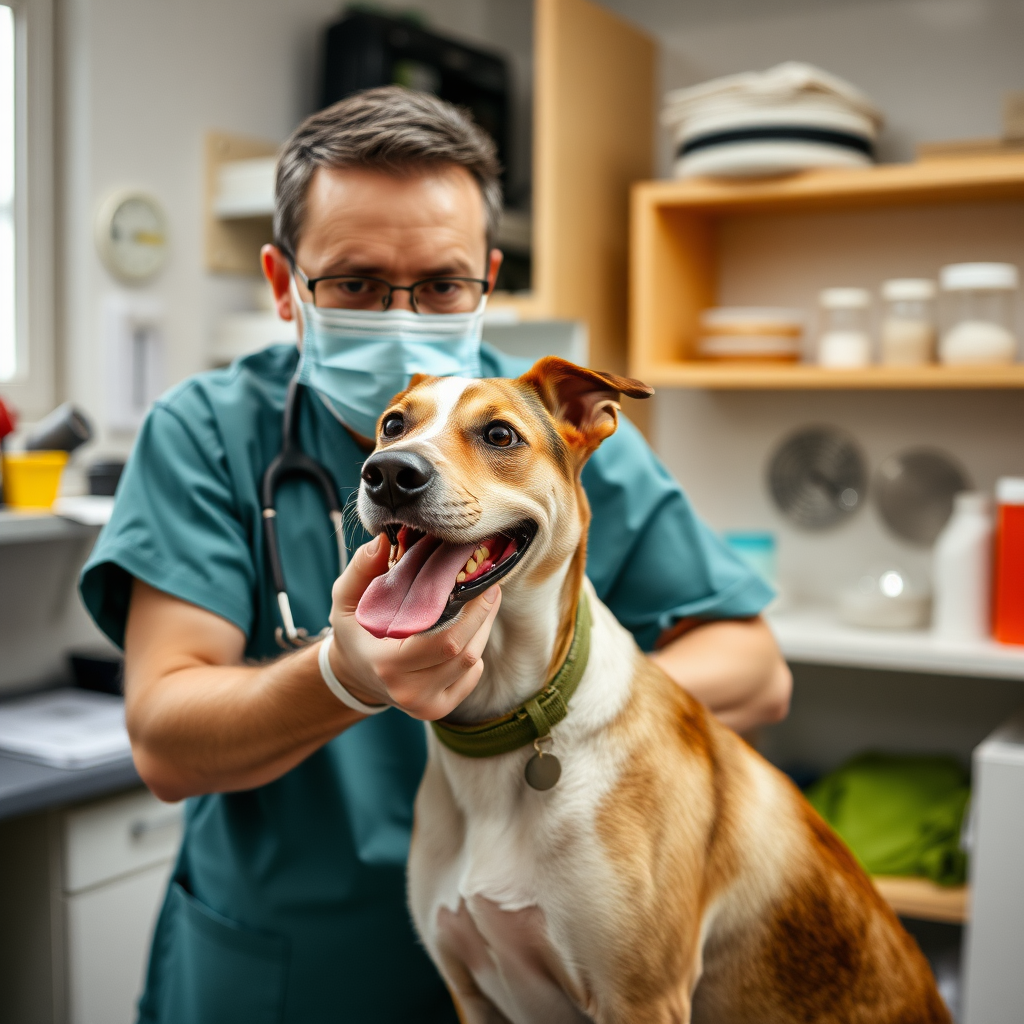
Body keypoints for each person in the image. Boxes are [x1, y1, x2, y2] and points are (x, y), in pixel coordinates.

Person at [80, 86, 791, 1024]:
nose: (404, 316)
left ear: (489, 278)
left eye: (444, 284)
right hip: (288, 968)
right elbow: (165, 739)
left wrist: (561, 723)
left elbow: (754, 669)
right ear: (285, 284)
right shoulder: (207, 432)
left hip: (534, 964)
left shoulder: (532, 438)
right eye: (357, 283)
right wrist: (346, 675)